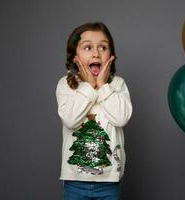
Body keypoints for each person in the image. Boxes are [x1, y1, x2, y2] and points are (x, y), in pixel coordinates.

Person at [56, 22, 133, 200]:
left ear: (111, 56)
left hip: (110, 180)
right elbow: (70, 119)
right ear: (75, 56)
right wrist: (90, 86)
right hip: (75, 180)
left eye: (103, 47)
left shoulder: (117, 85)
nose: (96, 53)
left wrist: (103, 86)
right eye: (88, 47)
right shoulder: (66, 85)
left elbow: (121, 118)